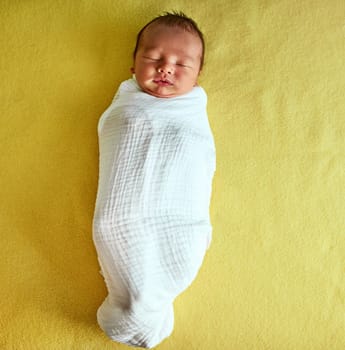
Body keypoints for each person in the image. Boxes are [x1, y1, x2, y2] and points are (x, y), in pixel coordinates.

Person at [92, 11, 216, 348]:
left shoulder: (191, 115)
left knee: (180, 246)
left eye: (181, 63)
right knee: (110, 224)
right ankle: (135, 301)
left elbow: (197, 157)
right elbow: (116, 131)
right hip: (121, 215)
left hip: (177, 218)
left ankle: (140, 305)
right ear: (133, 64)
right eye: (154, 57)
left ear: (198, 75)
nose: (166, 67)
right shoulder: (126, 106)